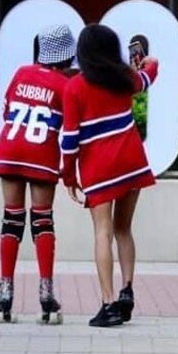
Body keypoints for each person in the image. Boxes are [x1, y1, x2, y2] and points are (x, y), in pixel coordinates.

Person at [60, 24, 158, 327]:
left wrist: (68, 175)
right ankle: (127, 289)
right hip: (132, 161)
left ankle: (108, 303)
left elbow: (70, 139)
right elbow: (150, 73)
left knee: (102, 231)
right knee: (123, 229)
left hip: (99, 168)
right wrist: (142, 61)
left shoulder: (75, 87)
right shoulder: (125, 78)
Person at [0, 24, 76, 324]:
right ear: (67, 56)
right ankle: (46, 294)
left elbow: (7, 111)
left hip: (10, 150)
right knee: (42, 220)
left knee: (11, 219)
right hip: (42, 156)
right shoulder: (66, 86)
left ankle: (5, 292)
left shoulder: (21, 73)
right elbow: (69, 129)